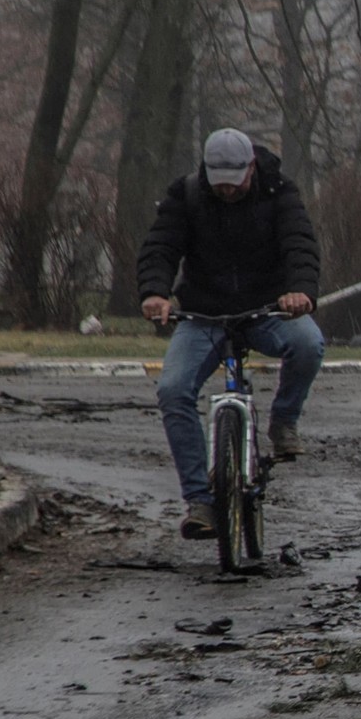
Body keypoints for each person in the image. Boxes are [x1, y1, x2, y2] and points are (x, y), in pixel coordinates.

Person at [138, 128, 323, 540]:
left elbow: (300, 245)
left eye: (234, 183)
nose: (226, 191)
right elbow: (161, 247)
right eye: (218, 183)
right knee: (173, 390)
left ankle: (284, 422)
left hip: (267, 309)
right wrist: (155, 293)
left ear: (250, 168)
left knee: (308, 344)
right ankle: (199, 500)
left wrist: (300, 293)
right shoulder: (186, 195)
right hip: (203, 313)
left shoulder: (279, 192)